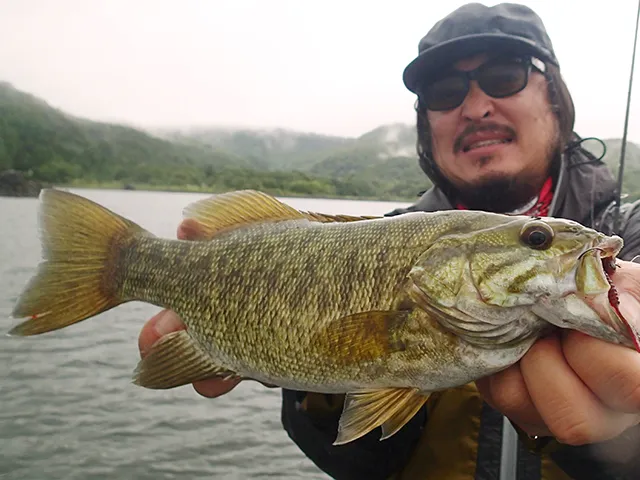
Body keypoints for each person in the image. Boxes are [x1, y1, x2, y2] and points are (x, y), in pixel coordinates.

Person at [137, 3, 640, 479]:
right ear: (425, 124)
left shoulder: (628, 237)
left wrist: (623, 436)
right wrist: (304, 378)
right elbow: (358, 466)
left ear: (554, 96)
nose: (476, 106)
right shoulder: (380, 236)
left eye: (504, 76)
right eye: (445, 90)